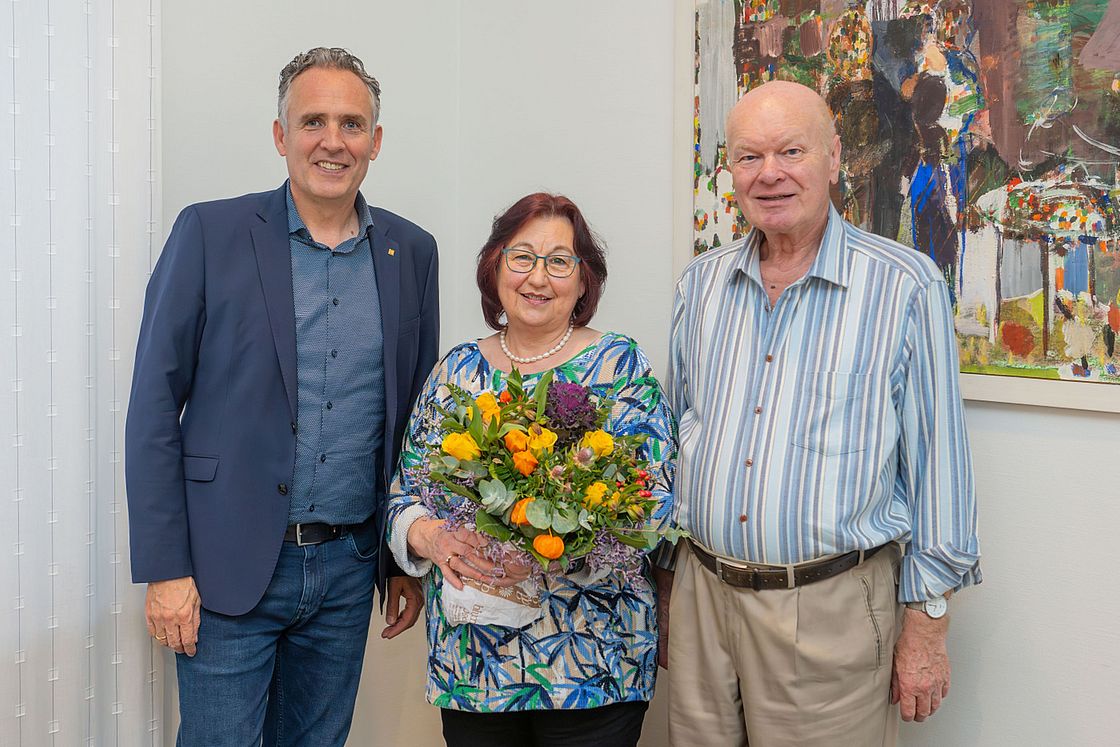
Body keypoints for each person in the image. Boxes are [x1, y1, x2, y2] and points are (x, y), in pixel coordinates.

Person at [124, 47, 437, 745]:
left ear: (376, 142)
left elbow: (417, 424)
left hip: (350, 569)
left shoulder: (411, 254)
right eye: (314, 121)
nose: (334, 140)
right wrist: (166, 567)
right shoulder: (210, 233)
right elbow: (152, 407)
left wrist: (400, 560)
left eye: (352, 124)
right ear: (280, 135)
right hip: (226, 567)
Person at [661, 80, 980, 747]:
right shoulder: (701, 283)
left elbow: (938, 467)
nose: (769, 172)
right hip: (701, 599)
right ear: (730, 171)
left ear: (833, 159)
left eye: (791, 151)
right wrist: (665, 583)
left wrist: (927, 621)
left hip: (830, 609)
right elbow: (675, 436)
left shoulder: (904, 284)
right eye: (749, 157)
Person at [386, 193, 676, 747]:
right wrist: (433, 537)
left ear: (584, 279)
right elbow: (407, 492)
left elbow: (655, 504)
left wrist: (548, 548)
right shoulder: (457, 370)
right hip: (473, 667)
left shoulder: (620, 367)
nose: (537, 277)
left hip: (592, 665)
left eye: (559, 261)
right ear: (495, 266)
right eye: (522, 257)